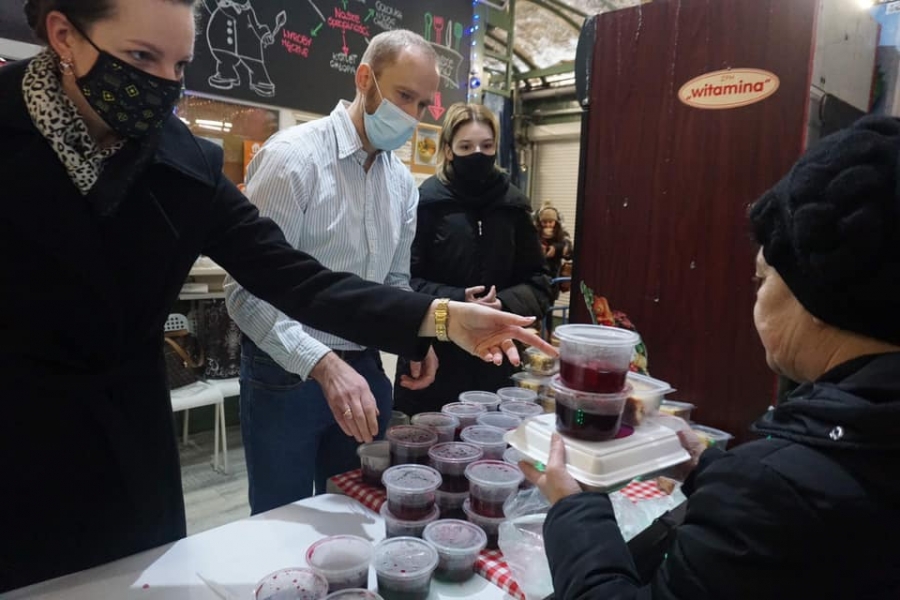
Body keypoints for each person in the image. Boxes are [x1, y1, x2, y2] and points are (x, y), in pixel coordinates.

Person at [0, 0, 555, 592]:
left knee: (160, 569)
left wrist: (436, 319)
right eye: (141, 57)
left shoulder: (184, 160)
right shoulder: (292, 158)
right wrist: (331, 359)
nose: (162, 84)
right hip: (26, 426)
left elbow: (296, 278)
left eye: (179, 65)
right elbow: (251, 296)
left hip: (135, 426)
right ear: (64, 35)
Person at [522, 115, 900, 599]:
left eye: (763, 279)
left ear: (819, 296)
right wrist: (709, 471)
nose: (757, 297)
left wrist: (573, 508)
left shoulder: (775, 489)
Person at [224, 29, 442, 513]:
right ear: (365, 79)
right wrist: (322, 364)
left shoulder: (402, 183)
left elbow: (394, 283)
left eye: (424, 104)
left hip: (365, 366)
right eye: (404, 96)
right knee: (280, 517)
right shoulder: (292, 158)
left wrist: (416, 336)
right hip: (286, 372)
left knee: (357, 507)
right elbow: (245, 292)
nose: (412, 115)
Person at [393, 103, 553, 416]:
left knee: (490, 438)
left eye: (486, 146)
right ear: (448, 150)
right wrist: (458, 300)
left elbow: (540, 284)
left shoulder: (514, 206)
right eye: (466, 146)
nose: (477, 154)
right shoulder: (426, 204)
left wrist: (503, 304)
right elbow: (402, 280)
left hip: (497, 357)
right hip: (433, 353)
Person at [534, 202, 573, 282]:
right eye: (544, 222)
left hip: (554, 272)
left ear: (555, 222)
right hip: (538, 271)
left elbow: (569, 251)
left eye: (550, 222)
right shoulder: (535, 233)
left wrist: (556, 248)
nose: (548, 225)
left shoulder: (561, 233)